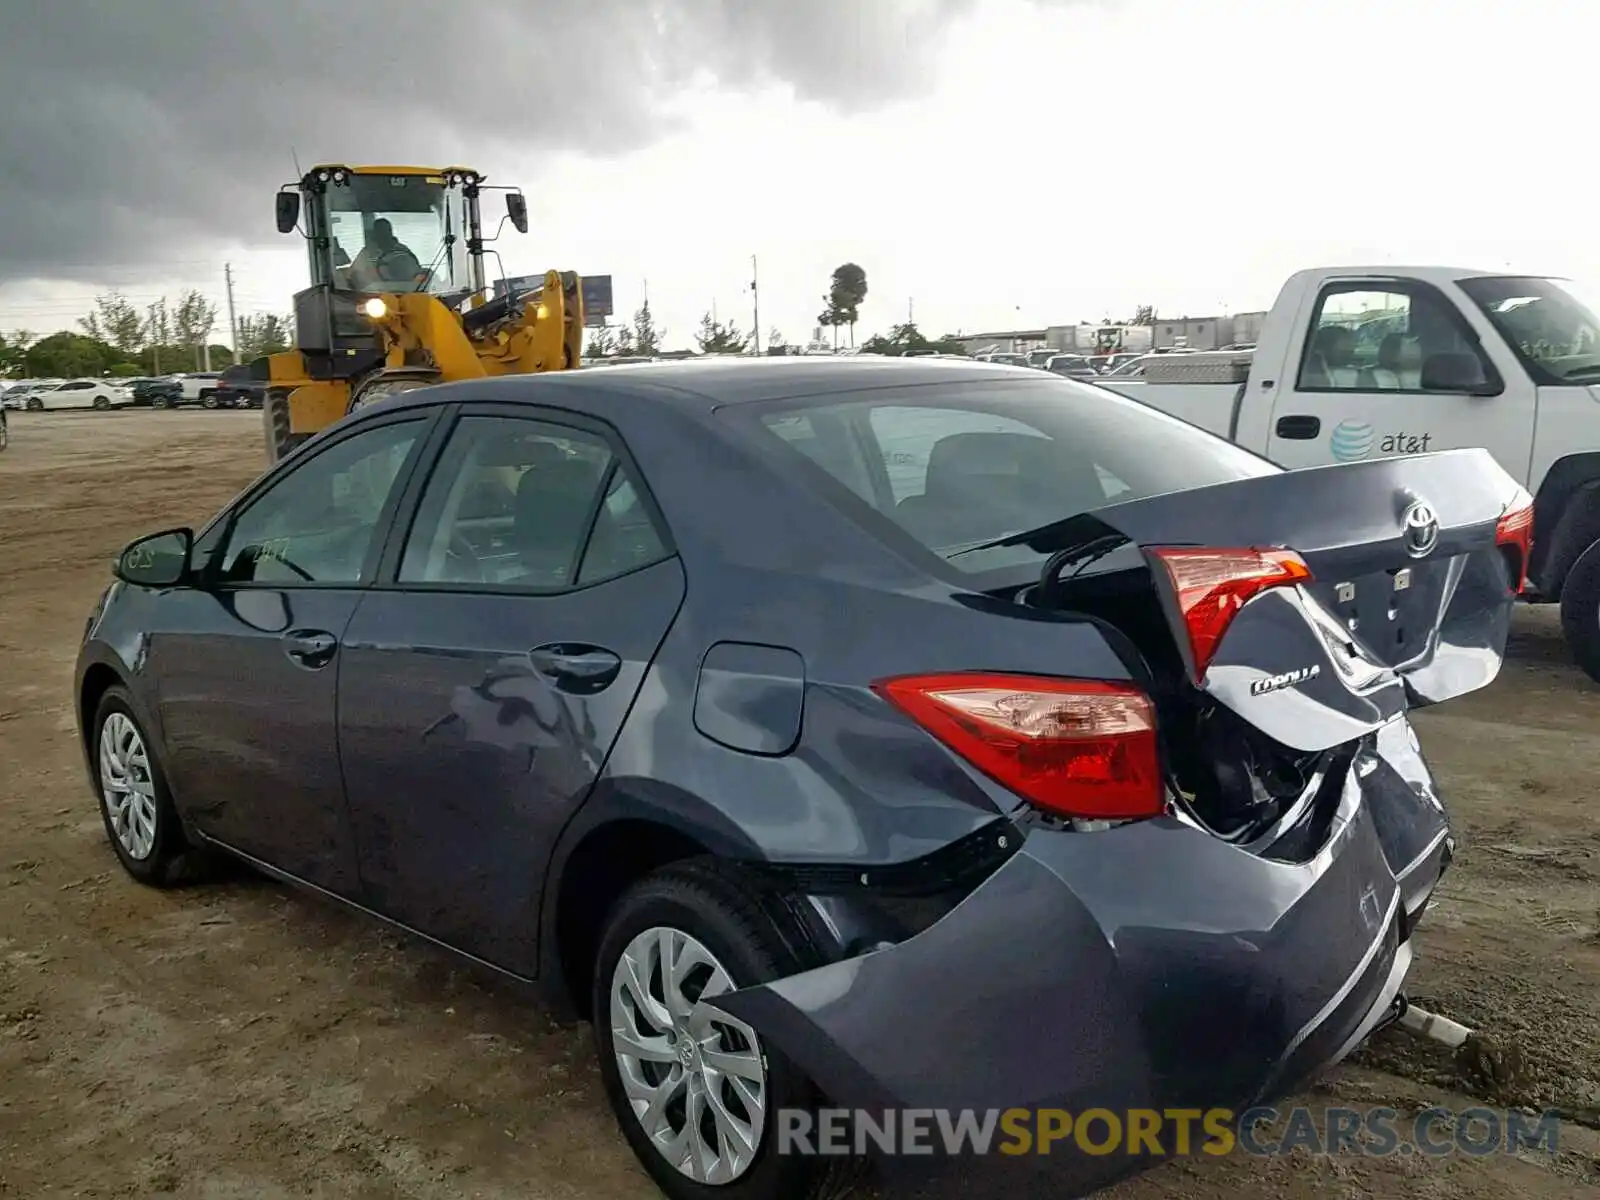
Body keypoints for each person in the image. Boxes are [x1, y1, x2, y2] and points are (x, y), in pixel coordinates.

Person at [350, 219, 424, 290]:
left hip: (407, 291)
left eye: (386, 230)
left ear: (391, 231)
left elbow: (415, 269)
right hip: (375, 293)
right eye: (380, 231)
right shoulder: (367, 252)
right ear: (375, 233)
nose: (383, 234)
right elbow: (354, 273)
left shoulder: (402, 249)